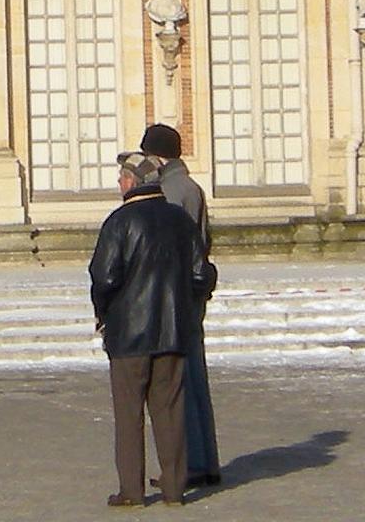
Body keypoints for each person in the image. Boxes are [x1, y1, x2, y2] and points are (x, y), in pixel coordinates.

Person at [89, 150, 206, 508]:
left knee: (129, 414)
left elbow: (104, 276)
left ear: (131, 182)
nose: (119, 183)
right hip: (172, 330)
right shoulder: (180, 220)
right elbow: (201, 273)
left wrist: (103, 312)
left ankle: (132, 490)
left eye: (121, 177)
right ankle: (174, 488)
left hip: (128, 333)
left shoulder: (120, 221)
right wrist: (188, 307)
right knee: (169, 411)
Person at [143, 122, 222, 488]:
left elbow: (175, 247)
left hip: (177, 295)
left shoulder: (172, 191)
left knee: (179, 382)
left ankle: (190, 462)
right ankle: (204, 460)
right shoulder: (189, 187)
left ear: (157, 156)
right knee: (194, 379)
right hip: (190, 293)